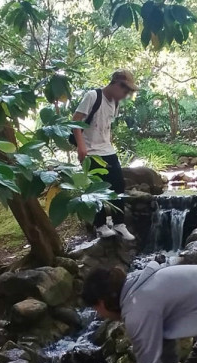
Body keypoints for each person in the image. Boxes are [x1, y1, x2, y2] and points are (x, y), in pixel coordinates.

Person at [72, 70, 138, 241]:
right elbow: (76, 121)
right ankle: (100, 226)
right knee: (97, 189)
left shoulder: (115, 103)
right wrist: (81, 147)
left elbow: (107, 126)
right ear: (116, 84)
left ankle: (119, 224)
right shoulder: (93, 97)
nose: (125, 96)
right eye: (125, 91)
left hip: (108, 150)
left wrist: (109, 142)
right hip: (91, 151)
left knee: (118, 186)